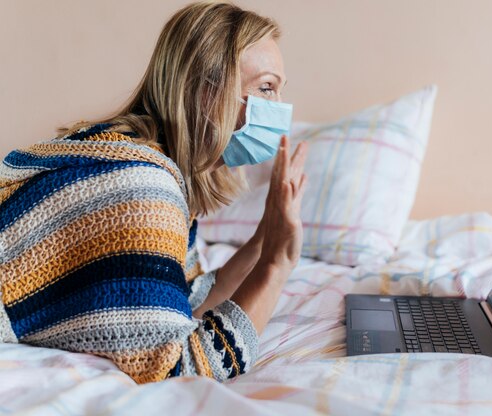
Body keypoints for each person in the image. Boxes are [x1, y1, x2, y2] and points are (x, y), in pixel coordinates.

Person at [0, 1, 308, 384]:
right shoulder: (139, 188)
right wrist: (276, 264)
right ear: (203, 90)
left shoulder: (145, 162)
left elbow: (189, 297)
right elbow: (179, 369)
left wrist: (265, 237)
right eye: (265, 88)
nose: (279, 109)